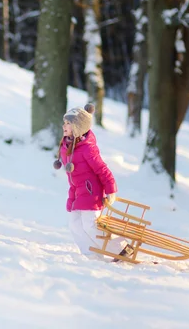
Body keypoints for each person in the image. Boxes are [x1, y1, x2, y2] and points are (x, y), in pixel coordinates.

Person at [53, 103, 133, 261]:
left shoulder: (87, 148)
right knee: (75, 225)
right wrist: (72, 197)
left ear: (77, 127)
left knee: (90, 225)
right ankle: (91, 254)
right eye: (65, 122)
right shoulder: (67, 146)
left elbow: (102, 169)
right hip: (78, 193)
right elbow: (72, 177)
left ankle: (121, 248)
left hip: (91, 193)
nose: (64, 126)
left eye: (68, 123)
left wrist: (111, 190)